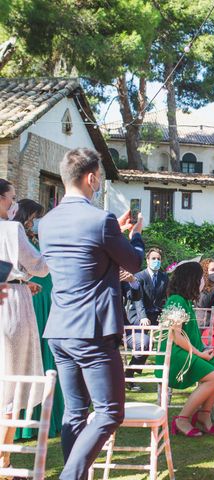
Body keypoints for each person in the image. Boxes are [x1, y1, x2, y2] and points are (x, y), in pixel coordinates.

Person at [38, 148, 145, 480]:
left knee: (74, 412)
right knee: (110, 412)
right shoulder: (101, 220)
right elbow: (134, 263)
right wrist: (135, 234)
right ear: (91, 178)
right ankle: (70, 476)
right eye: (98, 179)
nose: (98, 185)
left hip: (59, 329)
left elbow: (84, 258)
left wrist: (116, 232)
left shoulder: (46, 222)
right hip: (92, 330)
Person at [0, 179, 49, 471]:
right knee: (11, 383)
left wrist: (21, 281)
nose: (14, 205)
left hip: (13, 290)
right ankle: (3, 460)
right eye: (10, 199)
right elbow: (39, 266)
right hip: (10, 306)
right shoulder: (11, 229)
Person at [156, 262, 214, 437]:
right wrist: (199, 354)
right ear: (192, 280)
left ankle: (204, 415)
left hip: (189, 352)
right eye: (201, 278)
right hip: (175, 355)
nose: (203, 282)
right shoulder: (176, 300)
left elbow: (191, 334)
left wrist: (204, 349)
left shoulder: (187, 301)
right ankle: (182, 419)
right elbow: (176, 336)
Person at [13, 199, 65, 440]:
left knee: (48, 357)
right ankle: (24, 421)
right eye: (32, 217)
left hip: (47, 298)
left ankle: (48, 415)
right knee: (29, 357)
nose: (33, 222)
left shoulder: (32, 239)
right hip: (32, 301)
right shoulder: (15, 236)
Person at [125, 248, 168, 390]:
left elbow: (163, 299)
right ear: (148, 260)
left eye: (159, 259)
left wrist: (166, 316)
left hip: (156, 315)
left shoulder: (164, 277)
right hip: (138, 316)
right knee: (144, 343)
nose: (156, 261)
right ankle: (129, 376)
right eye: (153, 259)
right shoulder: (139, 276)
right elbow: (138, 300)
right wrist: (143, 317)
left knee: (168, 339)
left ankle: (167, 375)